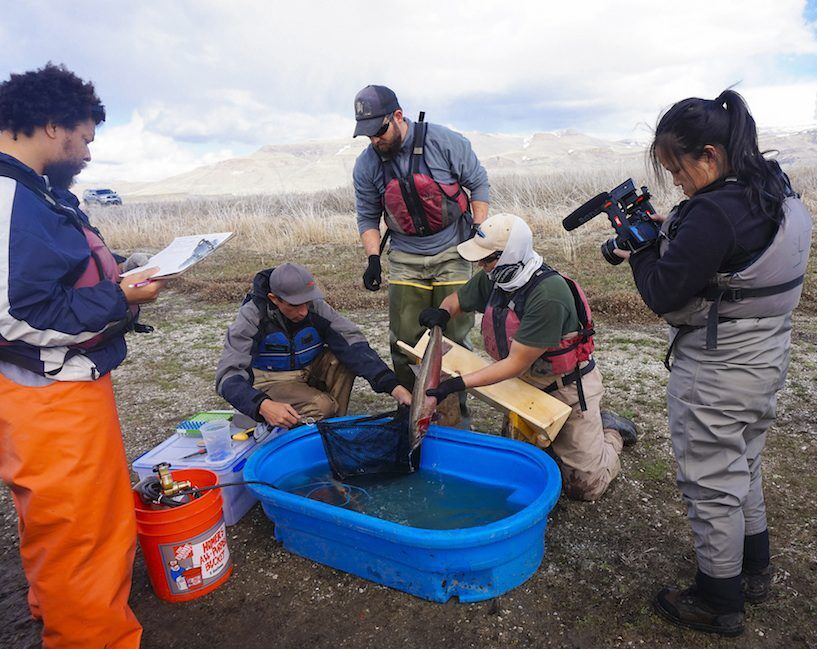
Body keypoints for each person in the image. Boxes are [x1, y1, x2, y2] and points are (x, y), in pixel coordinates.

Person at [622, 90, 812, 636]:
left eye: (676, 169)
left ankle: (716, 600)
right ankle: (754, 571)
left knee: (710, 480)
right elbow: (728, 249)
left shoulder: (713, 212)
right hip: (766, 353)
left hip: (719, 366)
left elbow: (661, 291)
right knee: (743, 465)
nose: (676, 183)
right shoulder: (770, 186)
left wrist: (639, 247)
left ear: (708, 154)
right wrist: (674, 235)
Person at [0, 63, 164, 648]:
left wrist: (115, 275)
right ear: (51, 125)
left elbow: (56, 276)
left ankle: (56, 609)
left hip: (63, 386)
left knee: (59, 521)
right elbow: (18, 315)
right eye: (84, 138)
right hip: (47, 395)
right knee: (83, 531)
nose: (88, 152)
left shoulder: (36, 191)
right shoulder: (9, 197)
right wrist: (117, 297)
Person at [418, 212, 639, 502]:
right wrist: (442, 314)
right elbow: (457, 300)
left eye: (487, 259)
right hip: (522, 384)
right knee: (518, 471)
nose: (480, 266)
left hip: (565, 388)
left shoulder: (548, 294)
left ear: (510, 254)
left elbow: (514, 362)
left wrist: (456, 384)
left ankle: (611, 432)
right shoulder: (496, 277)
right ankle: (571, 436)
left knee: (585, 486)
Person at [351, 85, 490, 400]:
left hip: (453, 251)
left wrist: (478, 230)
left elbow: (478, 182)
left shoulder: (444, 142)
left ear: (398, 116)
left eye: (380, 130)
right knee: (404, 340)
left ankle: (453, 415)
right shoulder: (367, 165)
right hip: (405, 257)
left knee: (453, 338)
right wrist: (373, 258)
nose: (375, 140)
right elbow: (367, 217)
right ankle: (413, 411)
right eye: (368, 134)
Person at [215, 262, 411, 428]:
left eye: (306, 302)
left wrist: (393, 386)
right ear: (274, 299)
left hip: (308, 368)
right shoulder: (252, 317)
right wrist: (261, 405)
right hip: (271, 378)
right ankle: (293, 424)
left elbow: (353, 343)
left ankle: (331, 425)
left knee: (341, 360)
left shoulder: (315, 307)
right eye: (294, 305)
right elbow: (227, 376)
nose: (303, 312)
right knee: (322, 407)